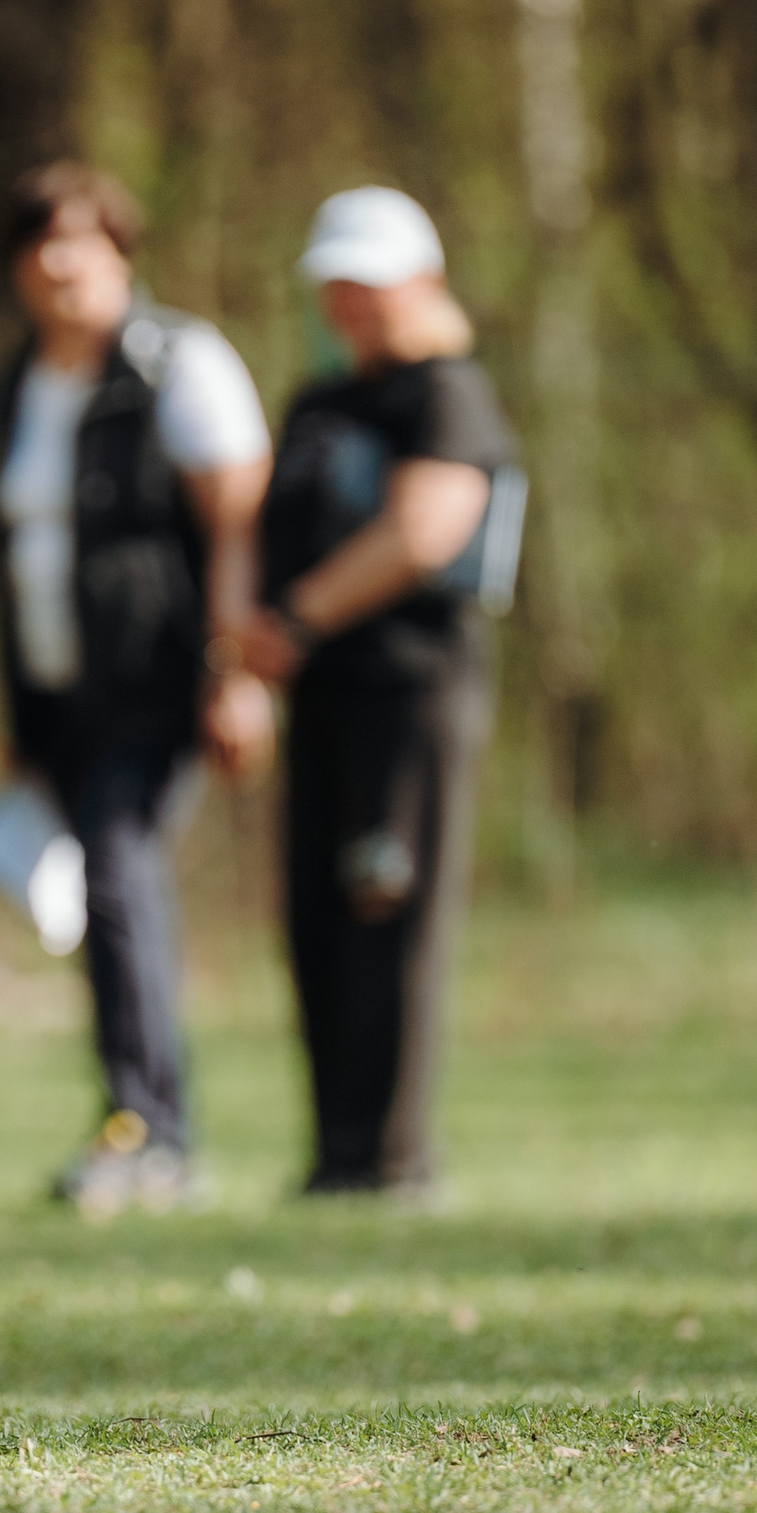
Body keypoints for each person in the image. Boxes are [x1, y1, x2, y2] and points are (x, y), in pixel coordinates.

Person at [0, 162, 276, 1217]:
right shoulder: (17, 381)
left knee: (117, 879)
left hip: (154, 683)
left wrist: (235, 673)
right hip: (55, 694)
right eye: (41, 243)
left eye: (84, 241)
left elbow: (237, 517)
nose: (61, 262)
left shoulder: (174, 364)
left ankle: (155, 1130)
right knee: (96, 897)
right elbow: (12, 554)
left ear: (121, 254)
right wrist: (13, 717)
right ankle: (134, 1116)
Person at [241, 187, 518, 1197]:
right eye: (336, 285)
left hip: (410, 694)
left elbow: (425, 529)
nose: (350, 303)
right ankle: (336, 1154)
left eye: (370, 283)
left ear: (419, 281)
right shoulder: (318, 400)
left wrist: (297, 618)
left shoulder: (444, 392)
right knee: (315, 917)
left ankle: (396, 1158)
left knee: (387, 908)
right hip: (317, 694)